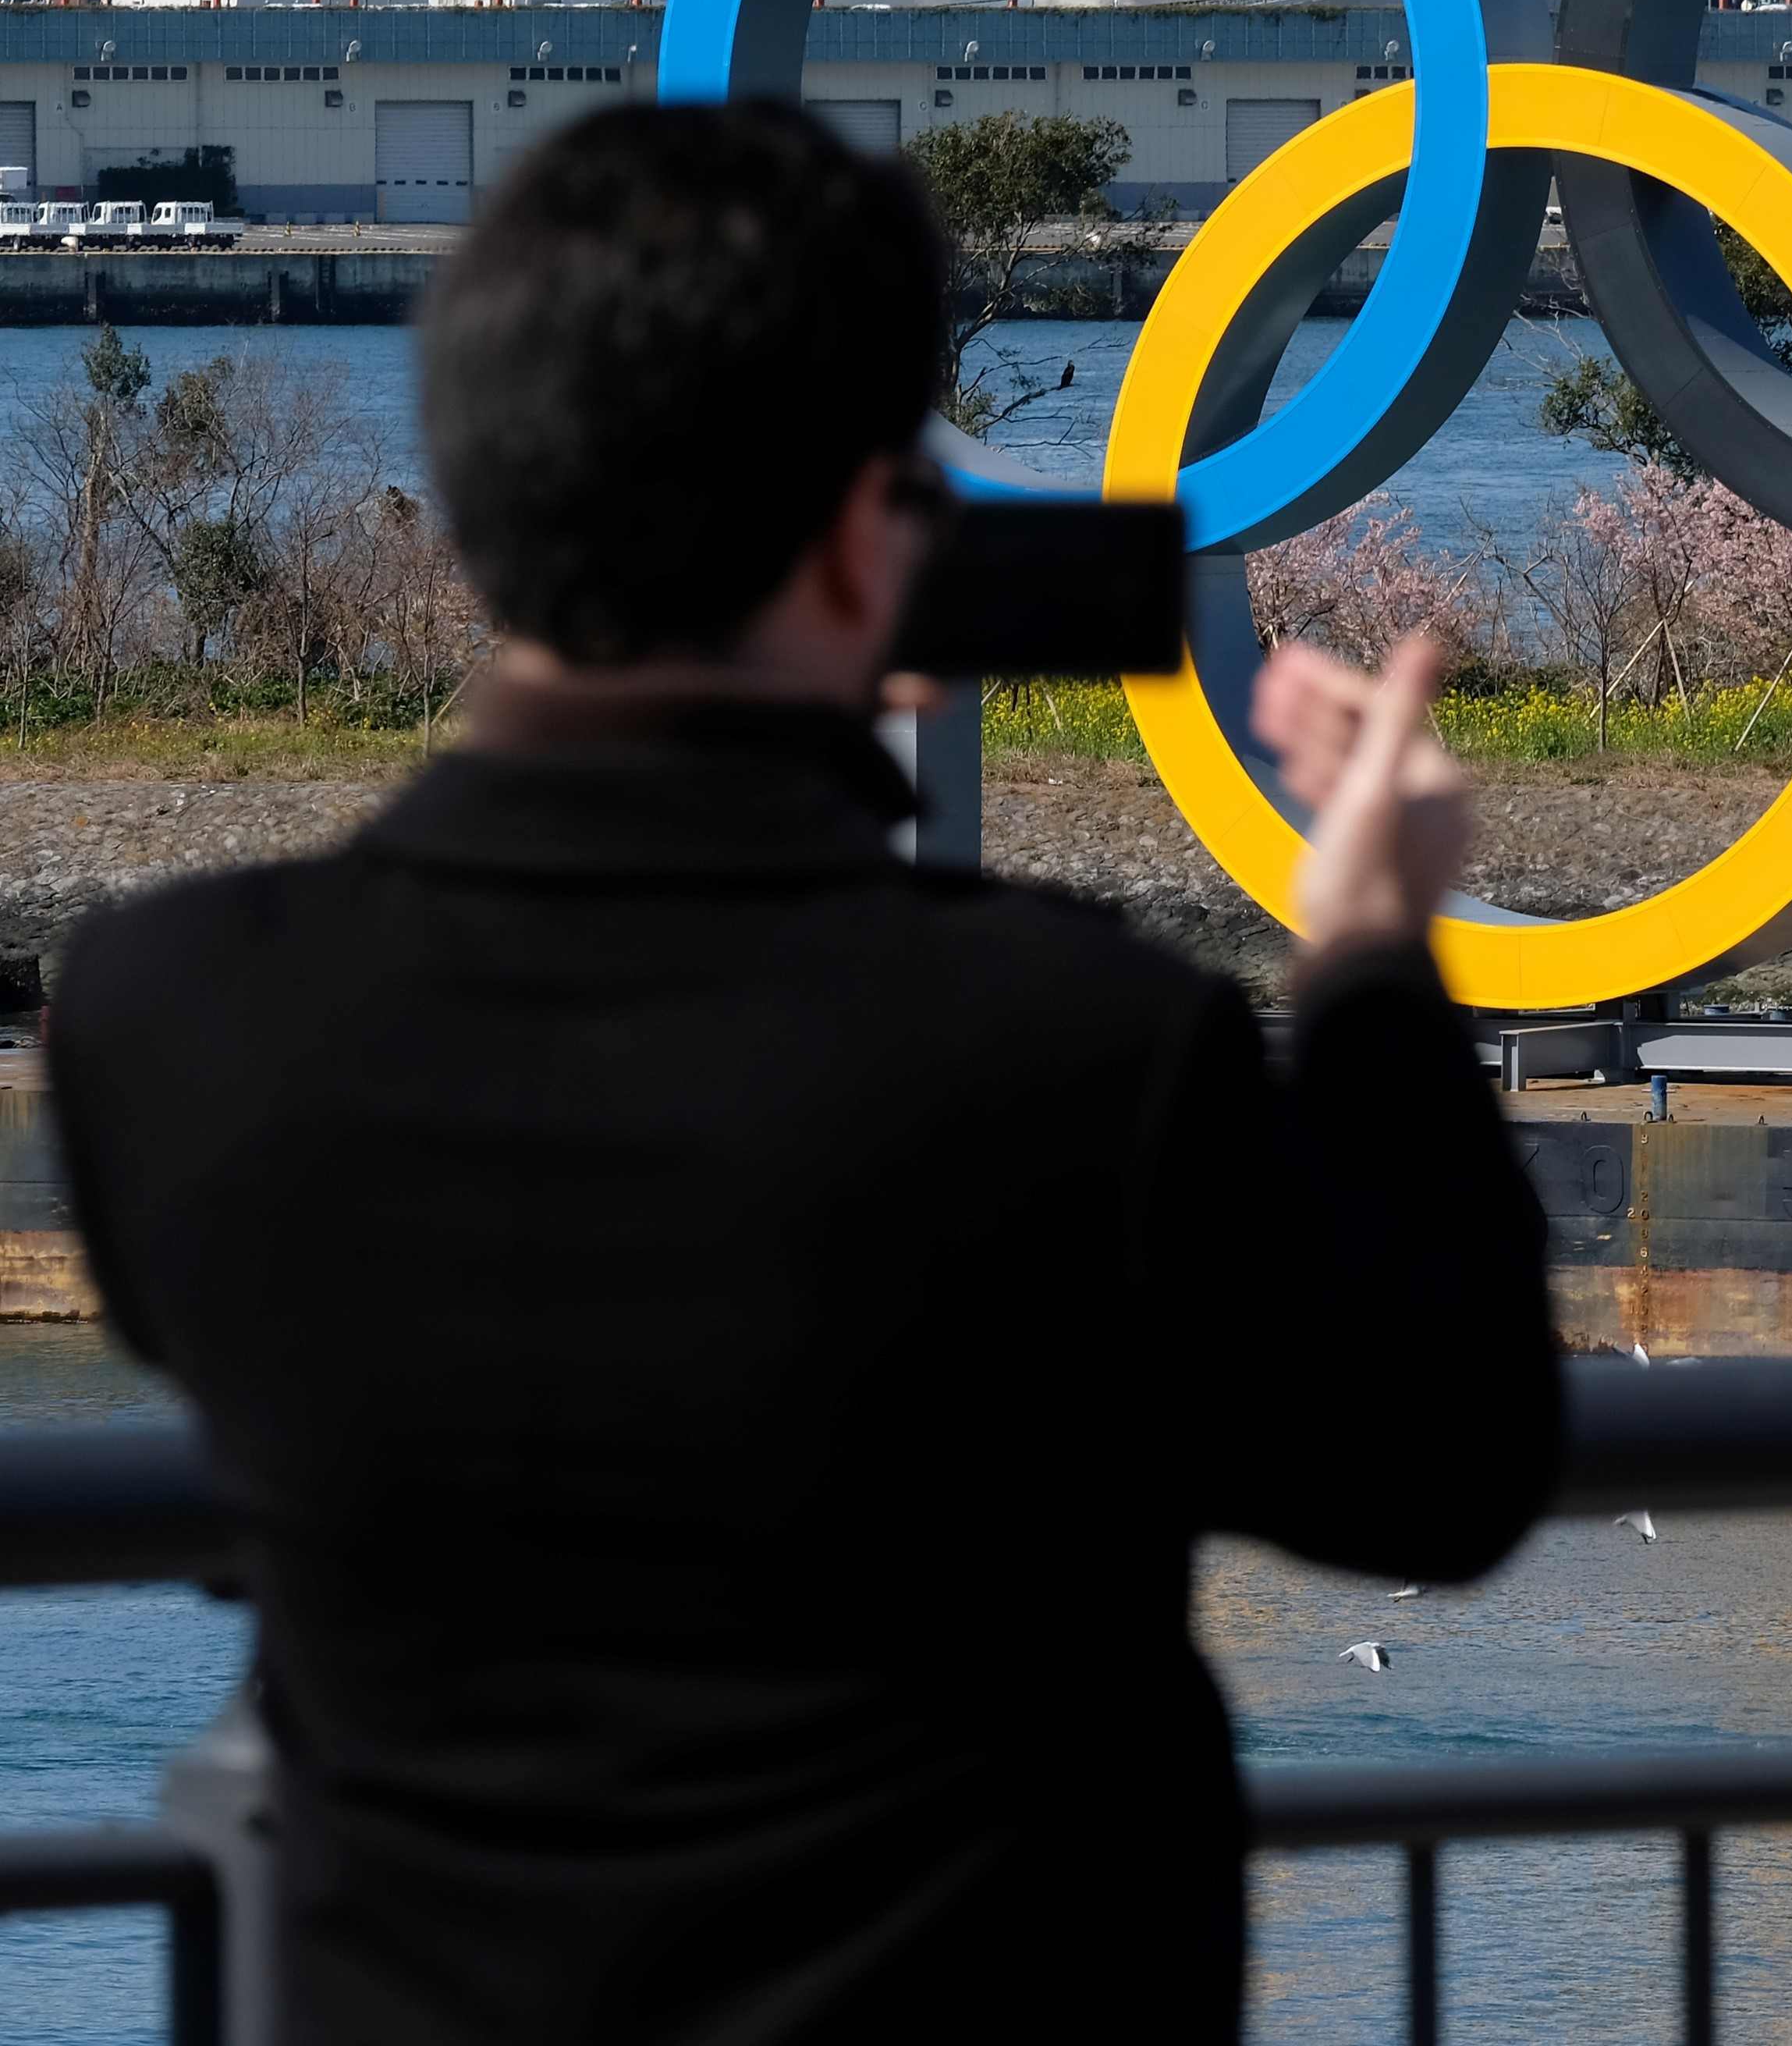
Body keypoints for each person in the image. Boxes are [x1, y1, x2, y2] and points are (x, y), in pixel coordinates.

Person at [48, 103, 1561, 2044]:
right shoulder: (1078, 1049)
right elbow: (1443, 1469)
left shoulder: (168, 1016)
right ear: (869, 535)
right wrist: (1365, 956)